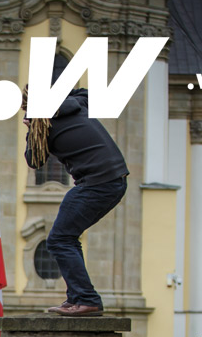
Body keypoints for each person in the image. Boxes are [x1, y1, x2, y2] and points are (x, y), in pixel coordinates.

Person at [24, 86, 128, 317]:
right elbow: (86, 92)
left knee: (59, 239)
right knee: (67, 238)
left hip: (99, 182)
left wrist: (33, 128)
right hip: (112, 180)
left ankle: (87, 299)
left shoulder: (46, 127)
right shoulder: (77, 104)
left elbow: (34, 159)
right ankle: (78, 298)